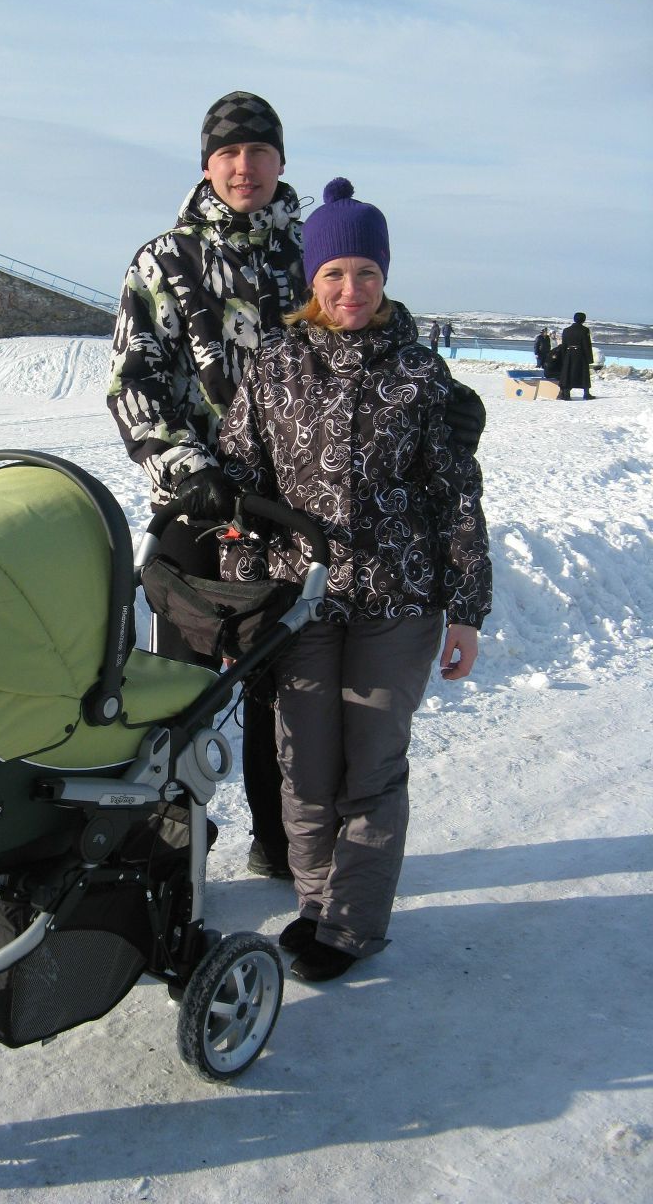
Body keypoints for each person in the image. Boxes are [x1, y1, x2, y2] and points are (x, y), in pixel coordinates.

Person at [108, 95, 488, 881]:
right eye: (228, 153)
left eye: (259, 151)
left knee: (281, 682)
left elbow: (374, 335)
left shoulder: (308, 251)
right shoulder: (166, 260)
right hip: (202, 508)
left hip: (298, 514)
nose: (244, 167)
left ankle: (285, 844)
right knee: (181, 689)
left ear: (282, 161)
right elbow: (132, 382)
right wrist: (191, 472)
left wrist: (454, 409)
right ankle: (167, 862)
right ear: (206, 164)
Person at [218, 178, 492, 982]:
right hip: (300, 602)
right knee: (304, 768)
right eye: (334, 273)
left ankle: (351, 927)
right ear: (313, 280)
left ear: (385, 275)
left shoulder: (422, 372)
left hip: (398, 603)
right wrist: (241, 600)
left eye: (366, 272)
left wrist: (466, 609)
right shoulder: (273, 364)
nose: (351, 289)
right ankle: (315, 904)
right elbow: (243, 489)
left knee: (371, 769)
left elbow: (456, 494)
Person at [558, 312, 595, 399]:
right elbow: (586, 345)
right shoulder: (584, 330)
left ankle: (566, 394)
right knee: (583, 374)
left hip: (569, 354)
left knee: (568, 373)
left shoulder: (566, 330)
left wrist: (564, 357)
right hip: (580, 354)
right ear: (583, 320)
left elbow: (564, 345)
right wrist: (589, 358)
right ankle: (586, 394)